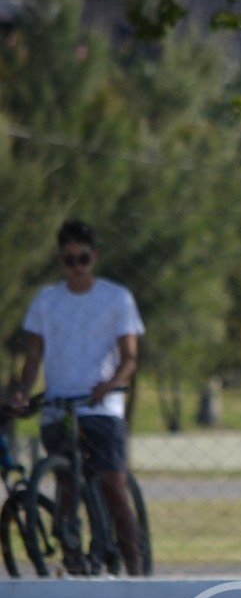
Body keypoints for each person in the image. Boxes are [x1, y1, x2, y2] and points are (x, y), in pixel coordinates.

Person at [7, 219, 146, 576]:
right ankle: (74, 561)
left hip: (101, 406)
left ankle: (135, 565)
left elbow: (129, 357)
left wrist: (110, 383)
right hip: (59, 406)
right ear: (60, 261)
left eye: (83, 258)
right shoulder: (46, 301)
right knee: (65, 483)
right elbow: (33, 357)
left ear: (94, 257)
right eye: (69, 260)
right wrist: (22, 390)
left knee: (113, 483)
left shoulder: (117, 298)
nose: (77, 267)